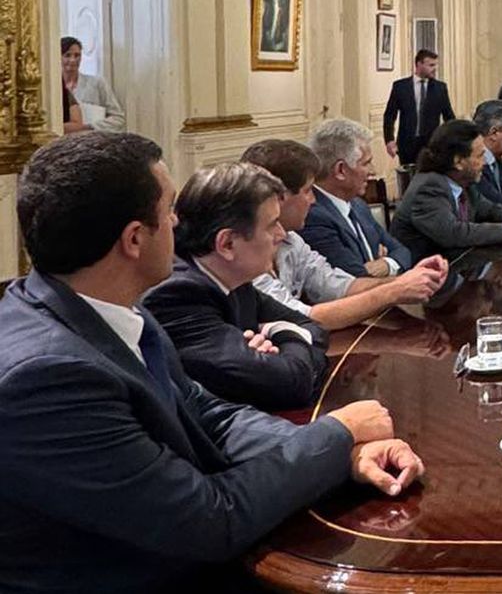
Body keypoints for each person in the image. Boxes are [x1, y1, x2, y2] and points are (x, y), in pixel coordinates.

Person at [0, 132, 422, 593]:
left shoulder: (111, 307)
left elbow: (208, 415)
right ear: (135, 239)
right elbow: (209, 519)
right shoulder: (48, 378)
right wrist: (336, 434)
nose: (180, 224)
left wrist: (347, 453)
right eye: (169, 211)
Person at [142, 162, 329, 411]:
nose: (282, 234)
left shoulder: (234, 278)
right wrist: (286, 335)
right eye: (272, 224)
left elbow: (313, 329)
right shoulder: (177, 296)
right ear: (227, 243)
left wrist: (277, 339)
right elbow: (288, 384)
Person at [241, 139, 450, 329]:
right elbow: (302, 318)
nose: (313, 200)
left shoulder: (292, 239)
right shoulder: (243, 252)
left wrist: (410, 280)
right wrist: (394, 291)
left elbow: (337, 286)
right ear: (278, 199)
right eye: (307, 191)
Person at [390, 120, 502, 261]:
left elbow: (489, 208)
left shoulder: (463, 181)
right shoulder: (428, 187)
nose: (484, 162)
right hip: (424, 280)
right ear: (458, 161)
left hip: (460, 267)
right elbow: (454, 233)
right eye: (479, 156)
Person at [302, 118, 414, 278]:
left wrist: (386, 264)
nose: (373, 171)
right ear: (340, 170)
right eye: (366, 163)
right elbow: (356, 278)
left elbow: (403, 252)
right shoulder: (313, 217)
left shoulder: (357, 205)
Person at [383, 49, 456, 167]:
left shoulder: (440, 88)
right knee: (408, 181)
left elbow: (449, 116)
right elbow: (390, 115)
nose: (434, 68)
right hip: (407, 144)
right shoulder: (400, 87)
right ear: (419, 64)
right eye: (431, 65)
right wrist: (389, 140)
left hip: (431, 145)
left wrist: (453, 141)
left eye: (435, 65)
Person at [59, 36, 126, 132]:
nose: (73, 60)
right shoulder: (54, 90)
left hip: (94, 140)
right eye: (67, 55)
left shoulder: (97, 83)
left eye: (77, 55)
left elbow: (118, 118)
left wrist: (90, 127)